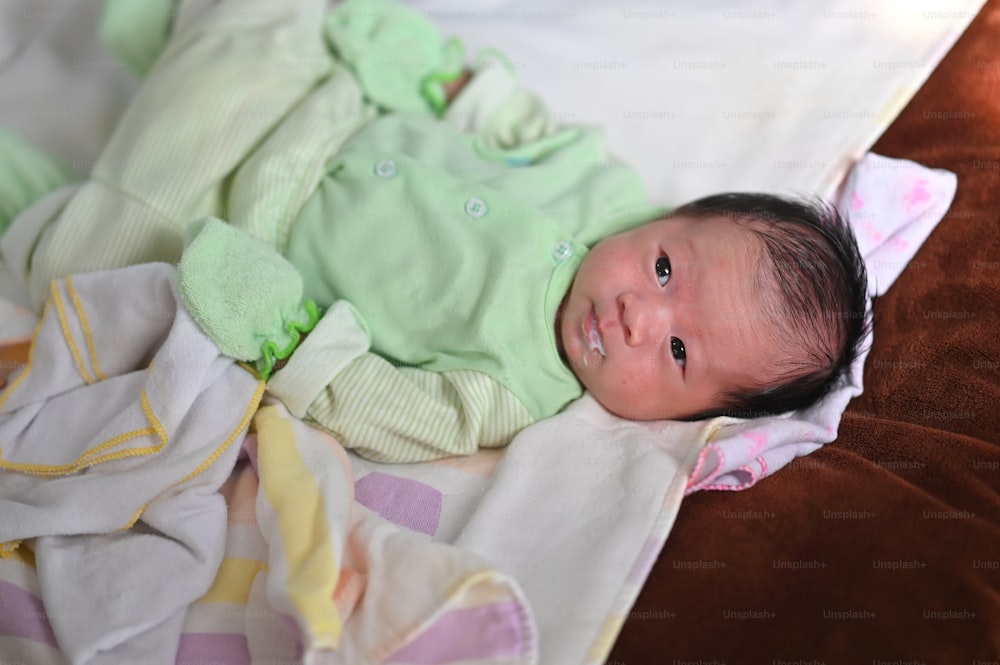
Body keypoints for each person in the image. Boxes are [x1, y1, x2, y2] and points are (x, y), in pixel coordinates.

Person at [0, 0, 867, 464]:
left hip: (228, 220)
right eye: (669, 268)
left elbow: (380, 403)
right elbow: (505, 114)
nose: (644, 317)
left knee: (85, 267)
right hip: (306, 108)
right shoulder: (606, 185)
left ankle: (45, 187)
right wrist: (426, 72)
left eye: (680, 356)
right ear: (669, 220)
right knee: (271, 18)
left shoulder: (515, 391)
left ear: (693, 416)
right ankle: (155, 34)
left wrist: (277, 330)